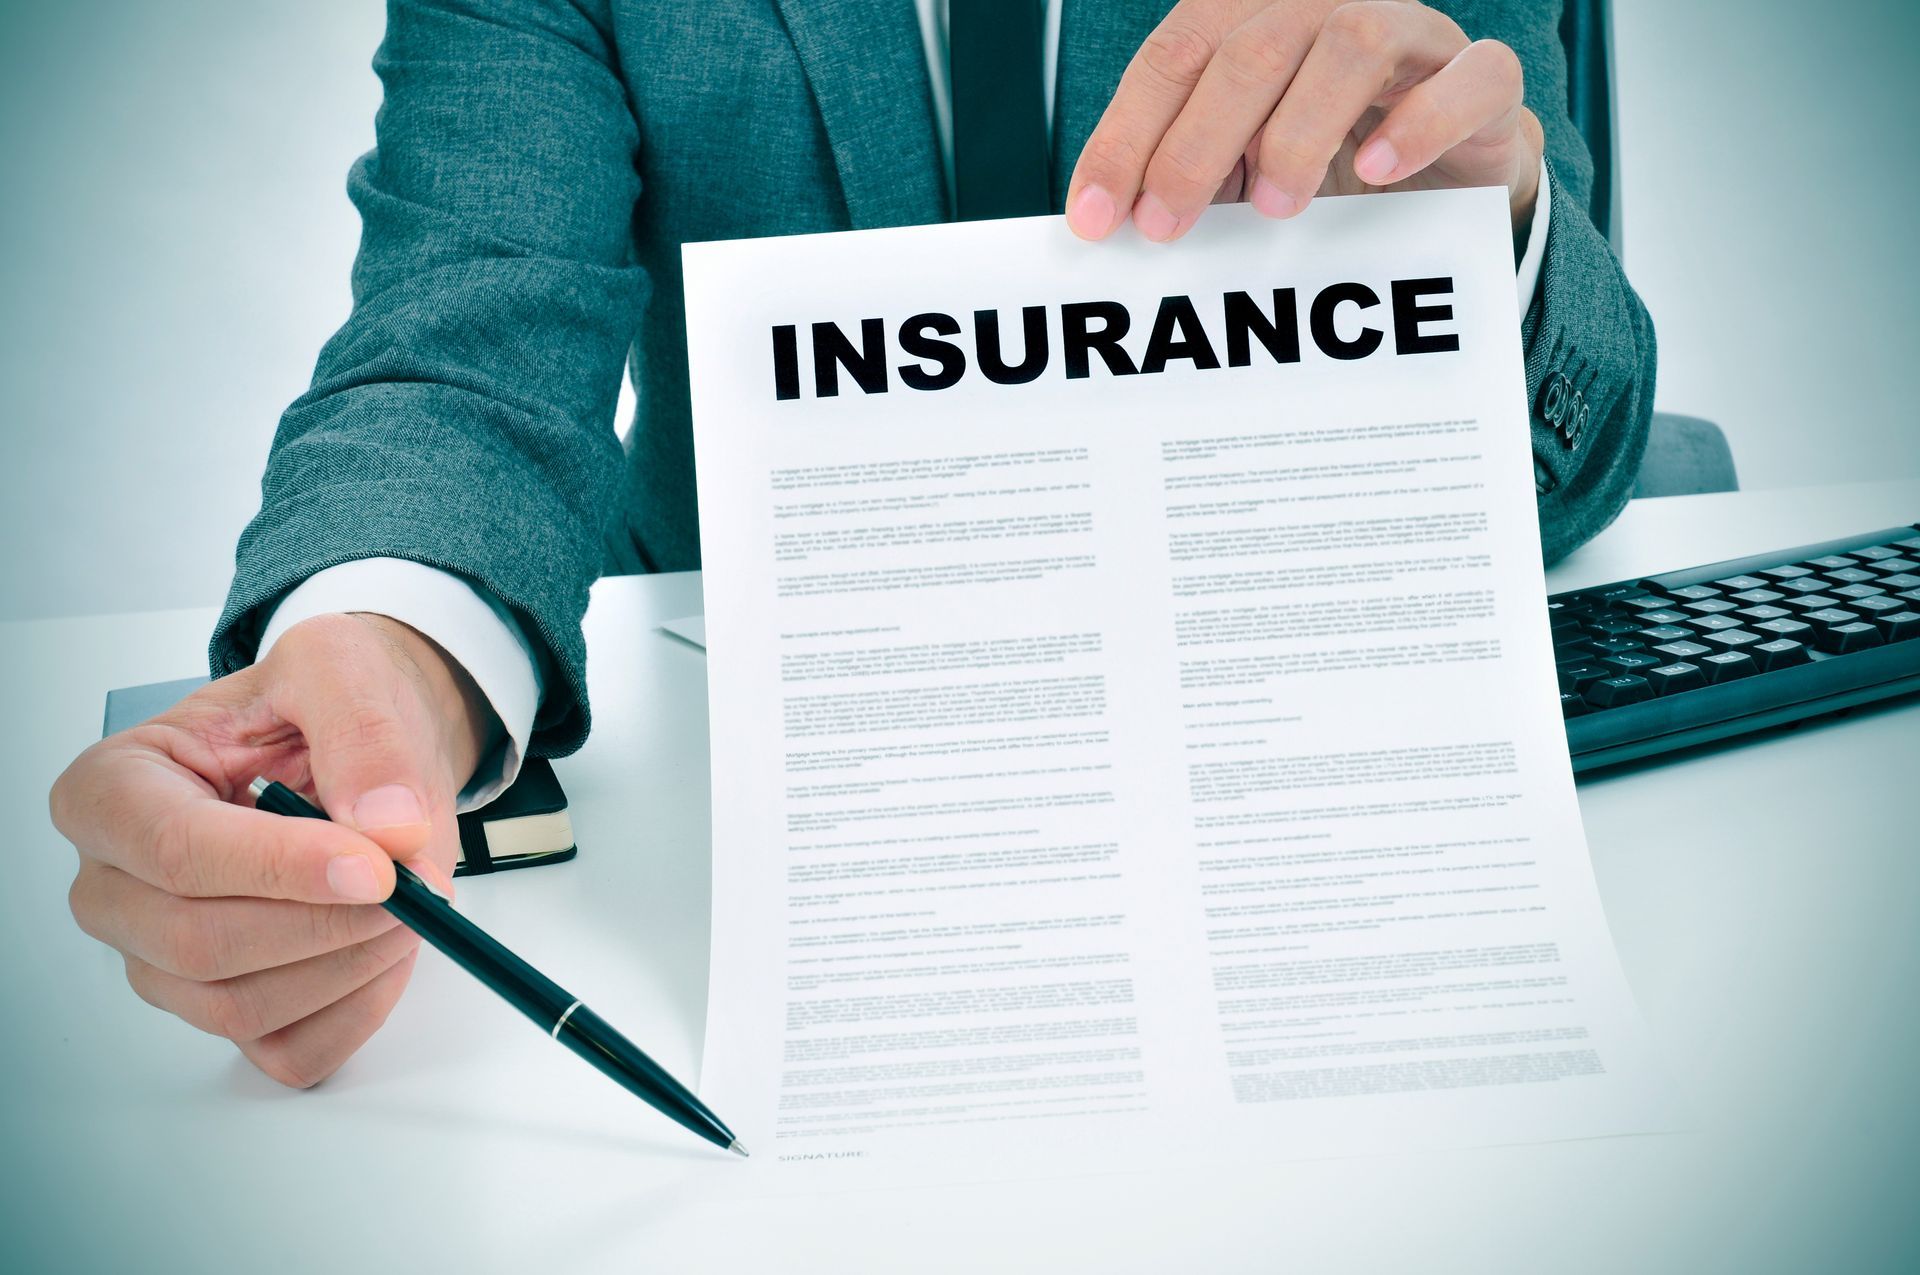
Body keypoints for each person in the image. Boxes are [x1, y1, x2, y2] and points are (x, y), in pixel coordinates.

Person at [50, 0, 1652, 1088]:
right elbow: (468, 346)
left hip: (1291, 731)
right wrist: (382, 648)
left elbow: (1577, 436)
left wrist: (1486, 230)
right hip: (793, 750)